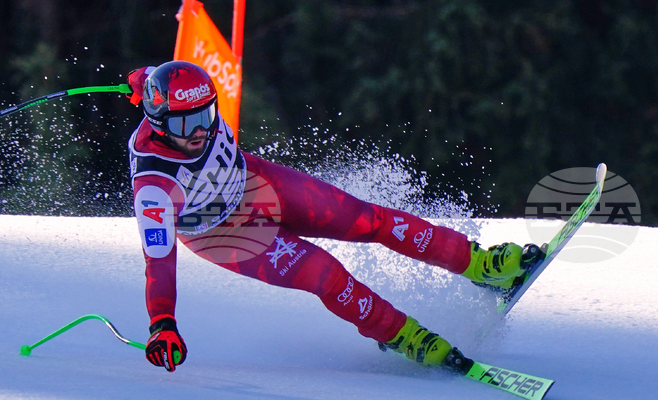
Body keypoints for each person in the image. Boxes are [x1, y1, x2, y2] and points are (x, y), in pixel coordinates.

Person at [125, 61, 541, 373]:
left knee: (367, 220)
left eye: (206, 115)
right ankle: (402, 335)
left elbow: (152, 80)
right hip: (225, 234)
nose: (200, 130)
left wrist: (141, 79)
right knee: (324, 274)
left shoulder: (171, 103)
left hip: (256, 182)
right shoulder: (154, 188)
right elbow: (158, 261)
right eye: (187, 123)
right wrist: (163, 322)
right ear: (159, 124)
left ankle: (479, 264)